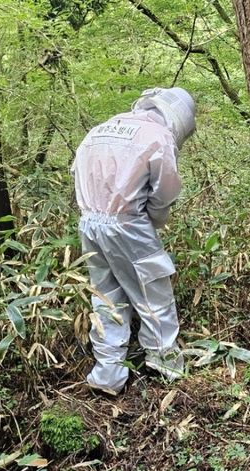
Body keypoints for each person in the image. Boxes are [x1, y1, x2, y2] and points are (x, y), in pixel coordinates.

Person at [71, 87, 196, 394]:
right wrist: (153, 218)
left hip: (89, 222)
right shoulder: (157, 136)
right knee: (153, 290)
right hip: (128, 222)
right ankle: (165, 368)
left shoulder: (101, 129)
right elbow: (165, 191)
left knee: (106, 296)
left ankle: (108, 375)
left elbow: (77, 171)